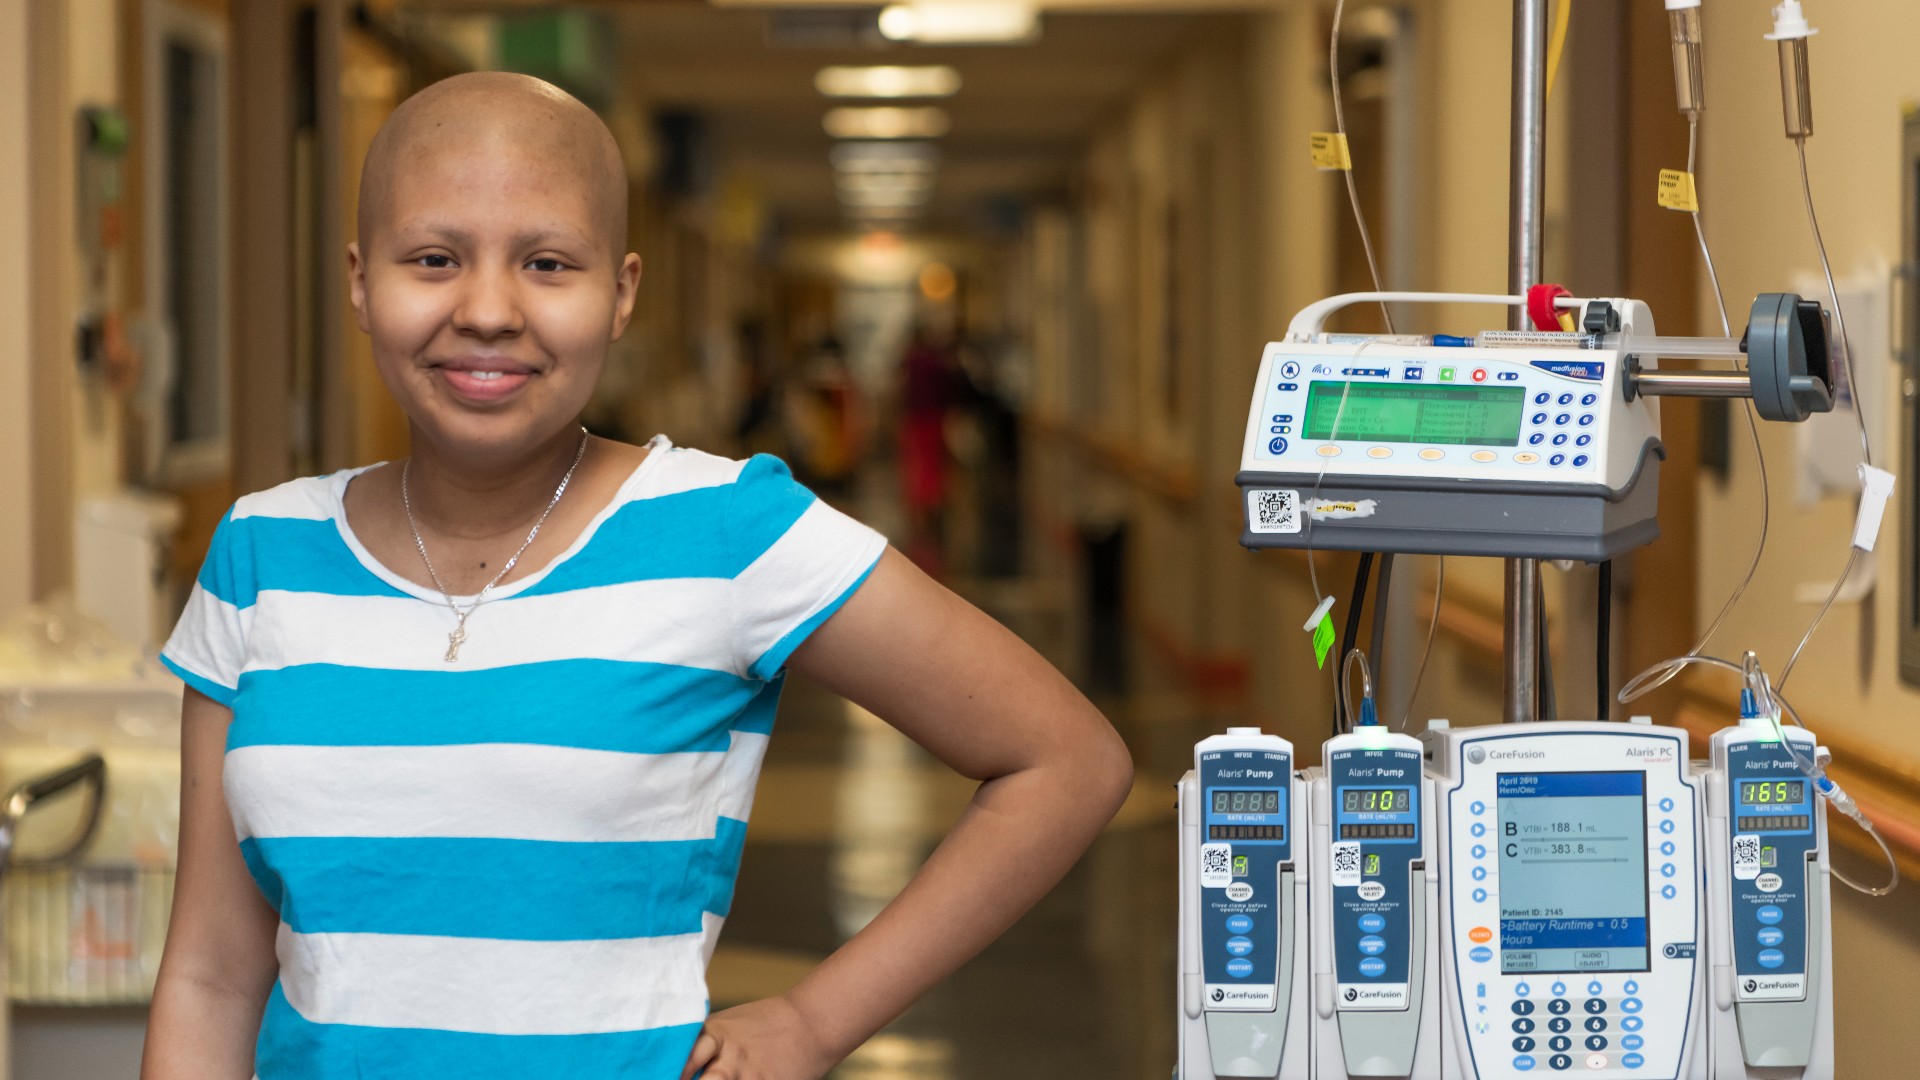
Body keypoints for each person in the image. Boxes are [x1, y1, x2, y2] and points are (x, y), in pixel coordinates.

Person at [140, 73, 1132, 1080]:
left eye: (548, 263)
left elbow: (1065, 762)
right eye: (434, 259)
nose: (488, 311)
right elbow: (212, 977)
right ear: (360, 281)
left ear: (620, 293)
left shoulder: (726, 531)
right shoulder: (262, 553)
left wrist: (815, 1021)